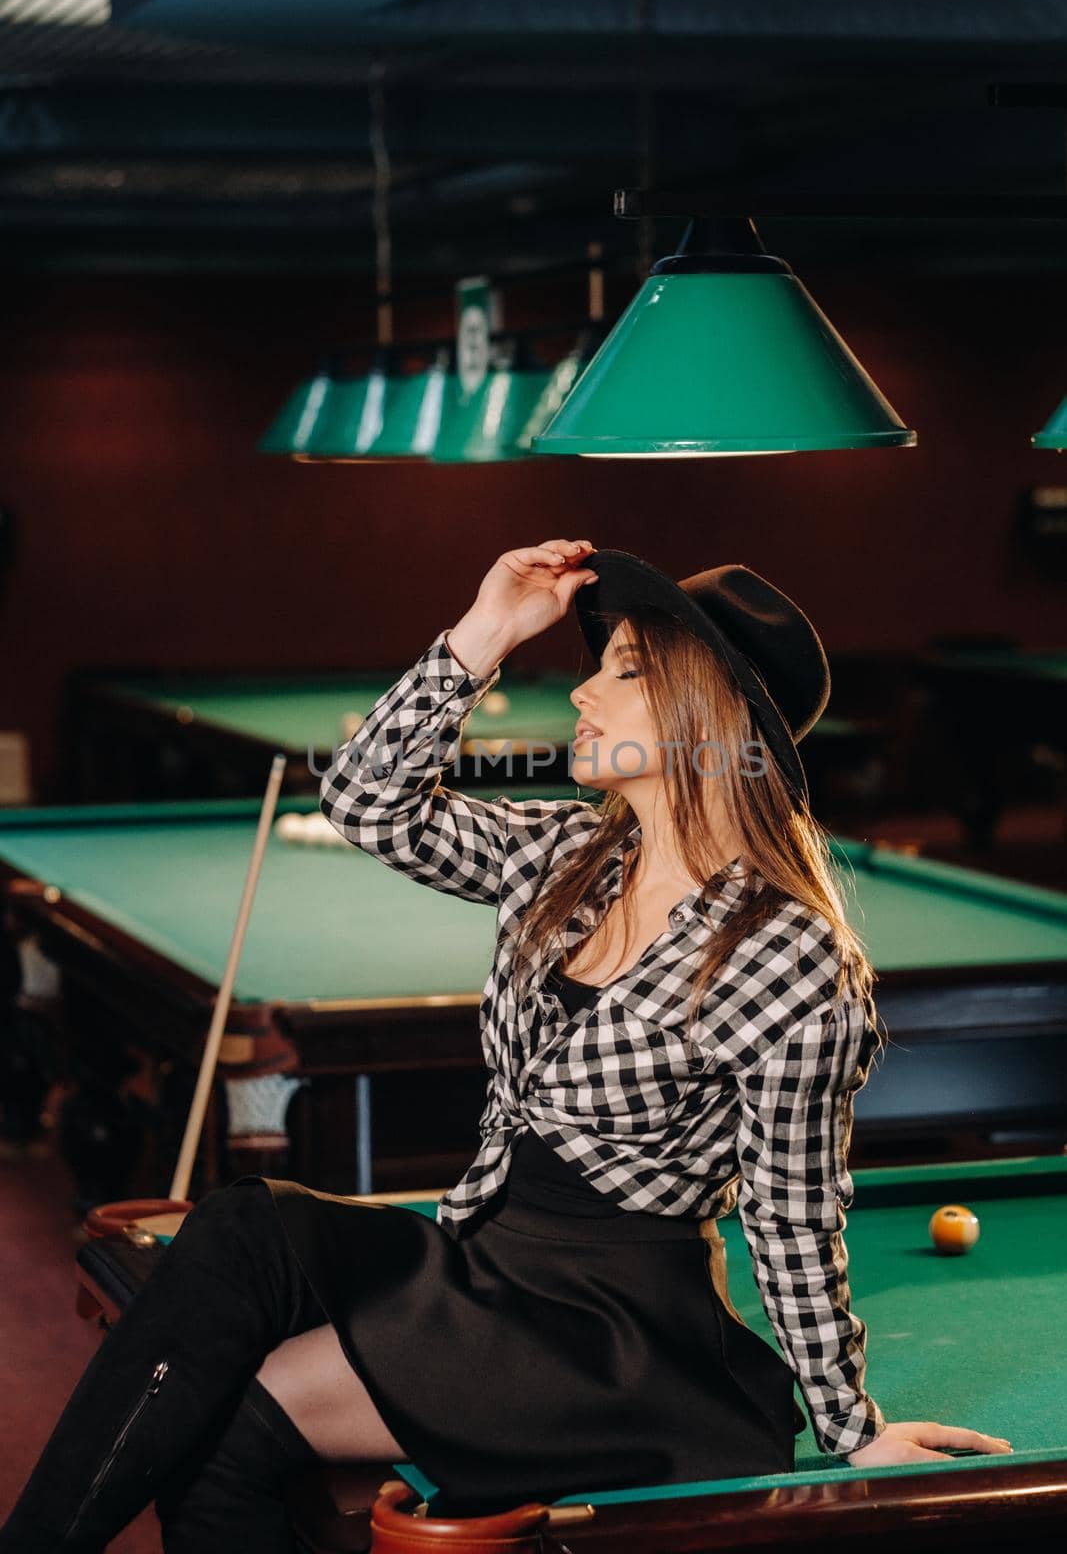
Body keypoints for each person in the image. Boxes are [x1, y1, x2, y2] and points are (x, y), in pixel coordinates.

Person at [1, 539, 1011, 1552]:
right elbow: (366, 803)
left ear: (707, 716)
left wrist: (850, 1430)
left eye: (621, 671)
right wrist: (483, 632)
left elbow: (793, 1216)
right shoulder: (568, 852)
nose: (578, 691)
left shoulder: (785, 952)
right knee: (241, 1228)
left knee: (232, 1425)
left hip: (603, 1332)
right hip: (482, 1253)